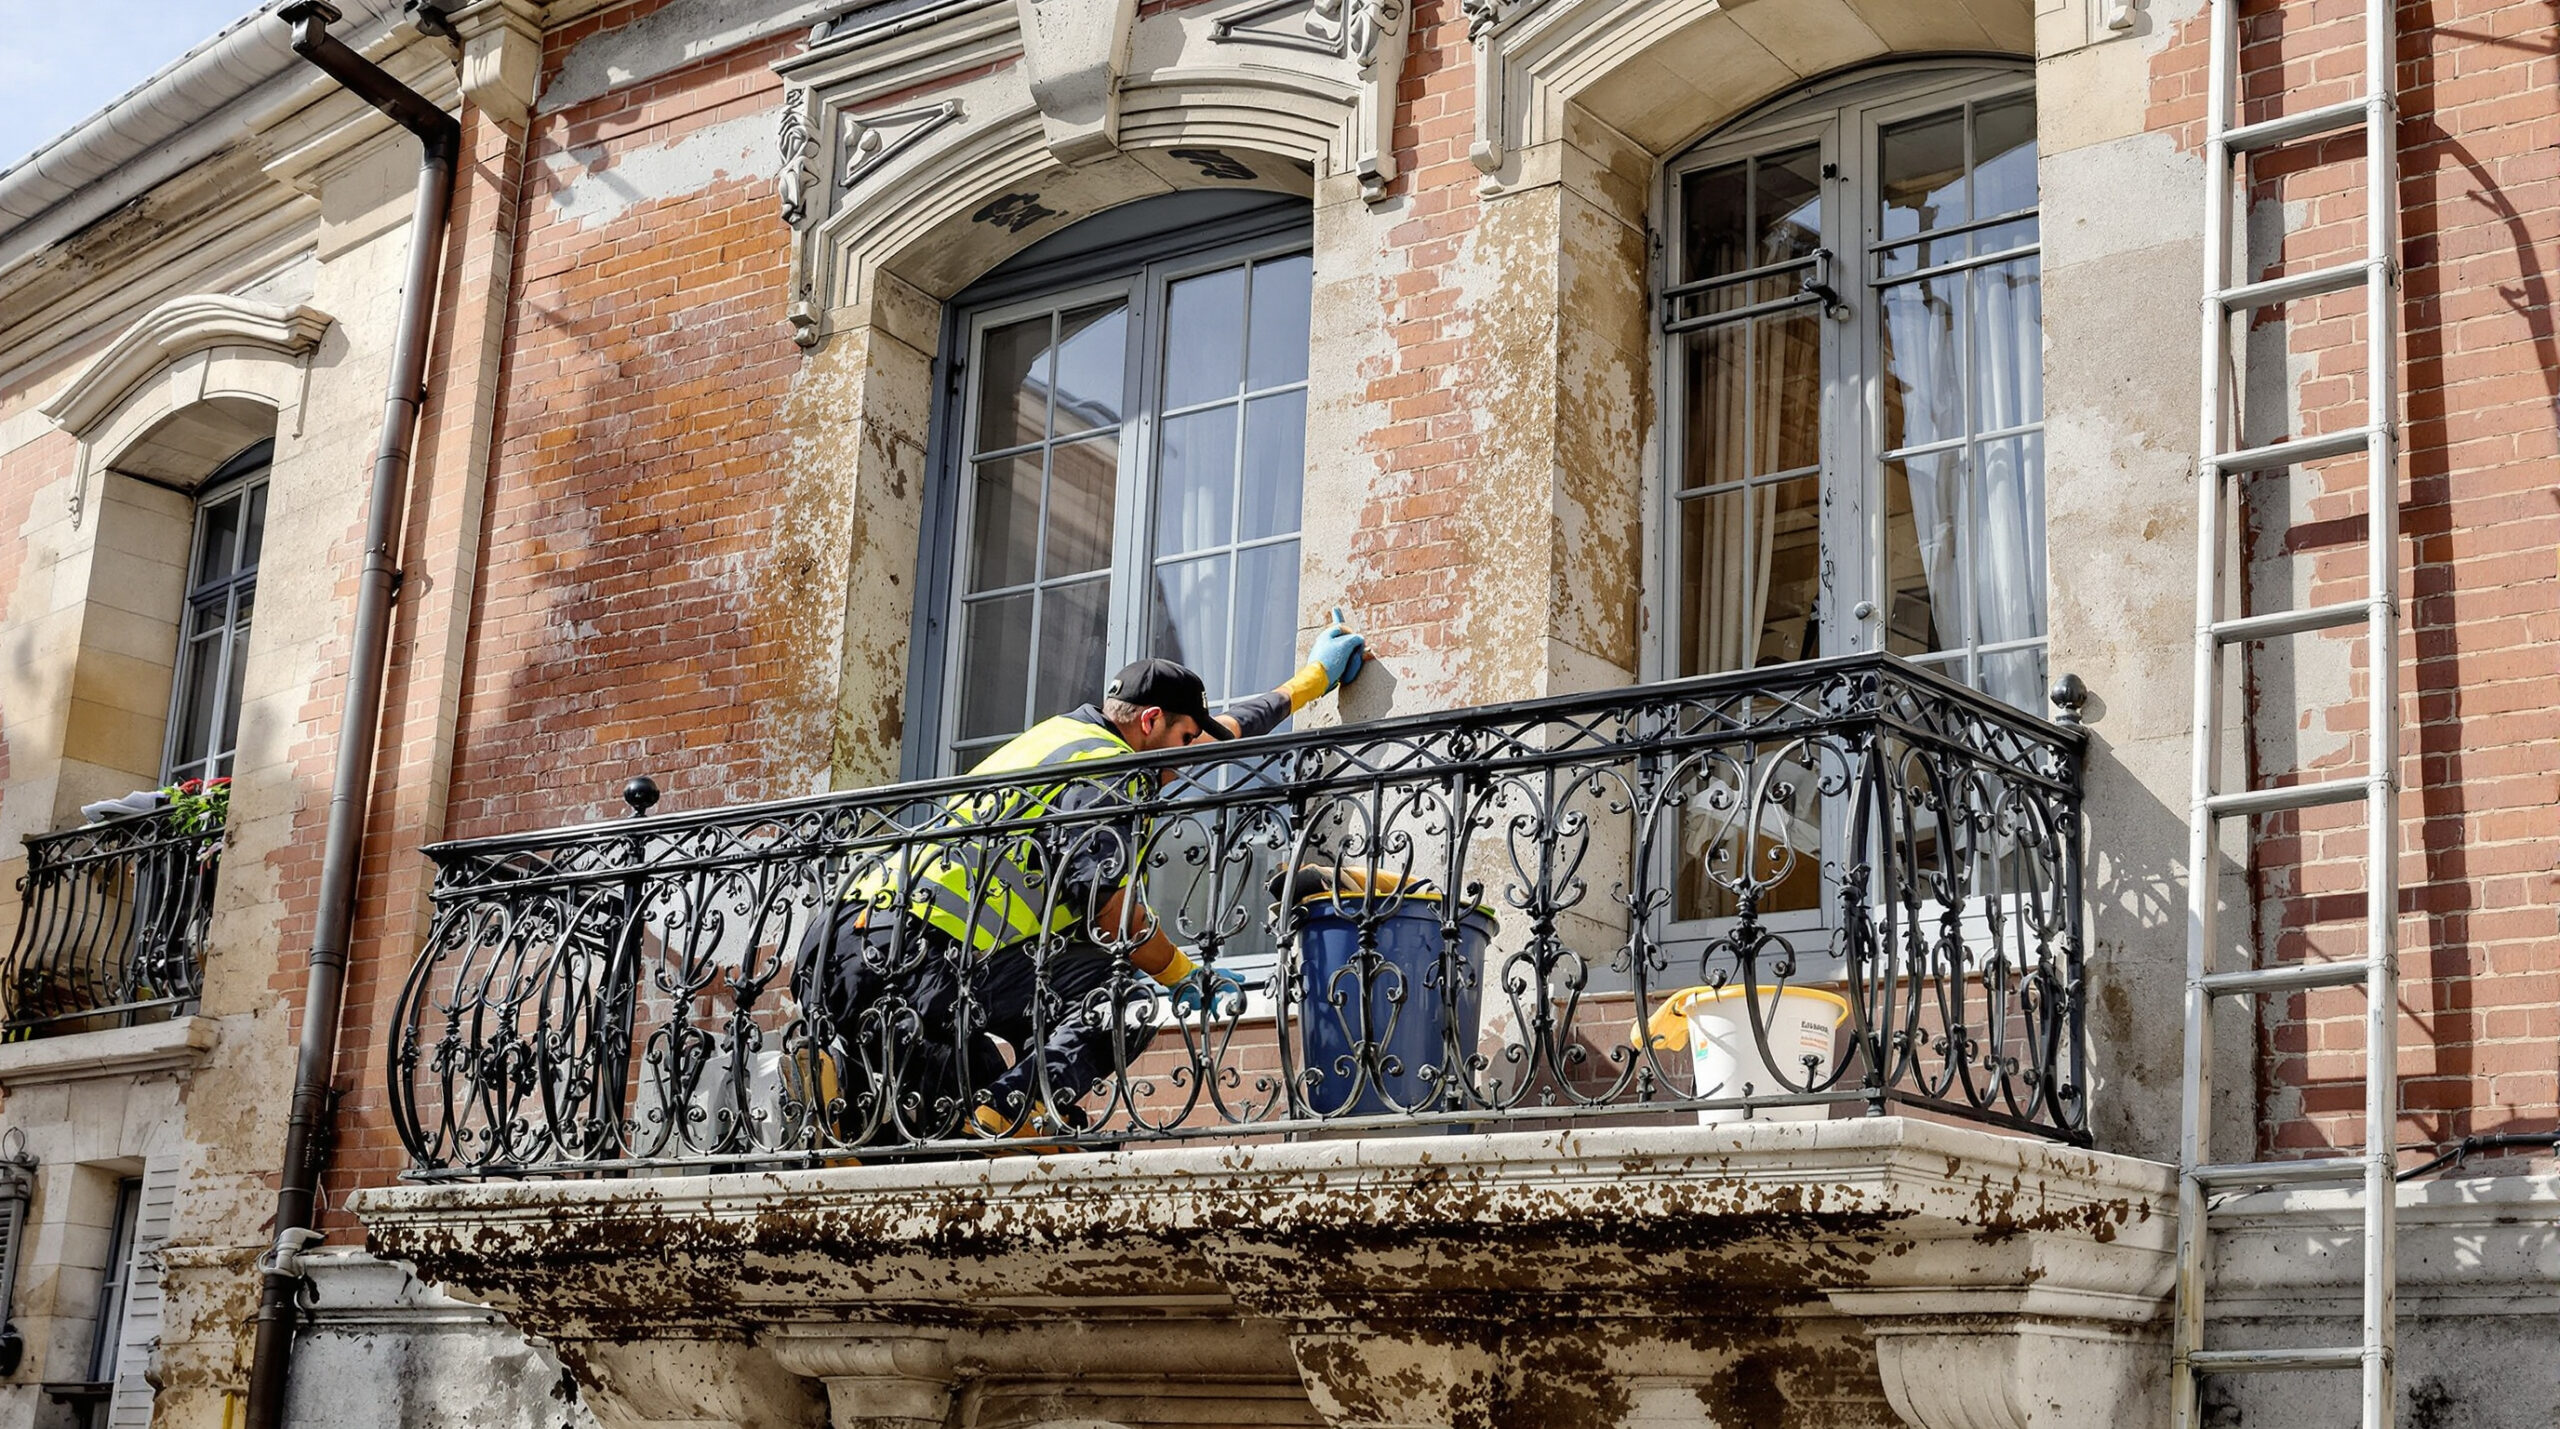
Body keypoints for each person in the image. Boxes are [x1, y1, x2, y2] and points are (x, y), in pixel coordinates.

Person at [795, 615, 1369, 1145]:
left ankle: (841, 1100)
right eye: (1186, 742)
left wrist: (1308, 682)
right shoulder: (1112, 772)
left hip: (844, 944)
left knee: (942, 1097)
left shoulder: (1062, 737)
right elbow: (1112, 914)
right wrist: (1182, 973)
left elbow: (1223, 728)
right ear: (1149, 723)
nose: (1188, 764)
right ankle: (1012, 1109)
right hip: (925, 956)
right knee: (1122, 993)